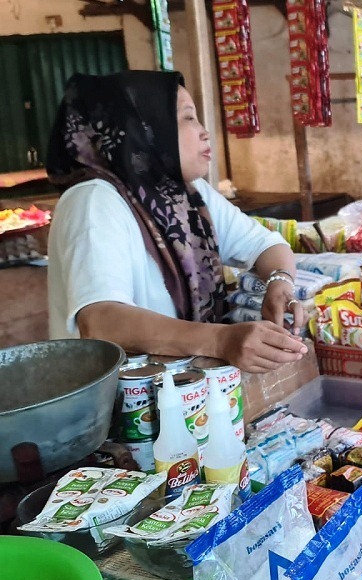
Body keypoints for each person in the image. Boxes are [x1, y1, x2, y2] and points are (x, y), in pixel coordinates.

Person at [46, 71, 308, 373]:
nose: (204, 132)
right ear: (142, 129)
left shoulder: (184, 195)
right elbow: (102, 320)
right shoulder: (93, 201)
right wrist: (220, 341)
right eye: (187, 118)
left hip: (180, 395)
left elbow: (267, 244)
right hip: (117, 404)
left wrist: (279, 283)